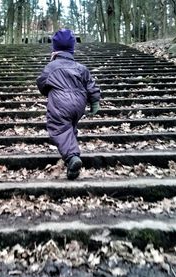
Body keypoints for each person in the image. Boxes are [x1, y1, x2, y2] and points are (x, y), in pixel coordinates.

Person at [36, 29, 101, 180]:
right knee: (69, 127)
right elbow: (91, 85)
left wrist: (49, 91)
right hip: (79, 103)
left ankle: (72, 157)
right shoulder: (80, 68)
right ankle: (72, 169)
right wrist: (95, 102)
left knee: (58, 127)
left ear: (54, 49)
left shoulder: (52, 67)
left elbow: (41, 83)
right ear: (72, 49)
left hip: (60, 102)